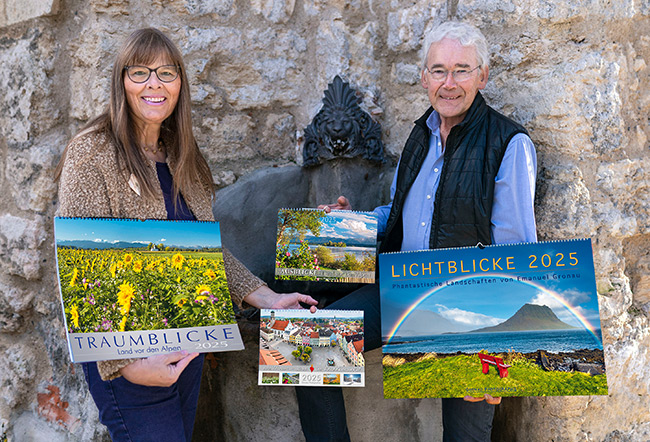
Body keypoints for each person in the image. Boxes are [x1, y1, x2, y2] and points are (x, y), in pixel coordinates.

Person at [54, 28, 317, 442]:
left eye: (166, 72)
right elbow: (78, 269)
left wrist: (267, 298)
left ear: (180, 84)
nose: (154, 83)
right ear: (121, 81)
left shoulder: (183, 157)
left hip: (185, 345)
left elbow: (204, 253)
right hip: (129, 357)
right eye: (139, 72)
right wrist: (126, 363)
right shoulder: (92, 153)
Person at [297, 21, 537, 442]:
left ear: (483, 76)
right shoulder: (420, 135)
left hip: (466, 307)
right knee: (304, 350)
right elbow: (404, 214)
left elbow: (516, 251)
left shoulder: (509, 144)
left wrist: (500, 349)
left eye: (462, 69)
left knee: (465, 436)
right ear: (424, 77)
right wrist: (353, 222)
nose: (449, 83)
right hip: (402, 290)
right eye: (439, 70)